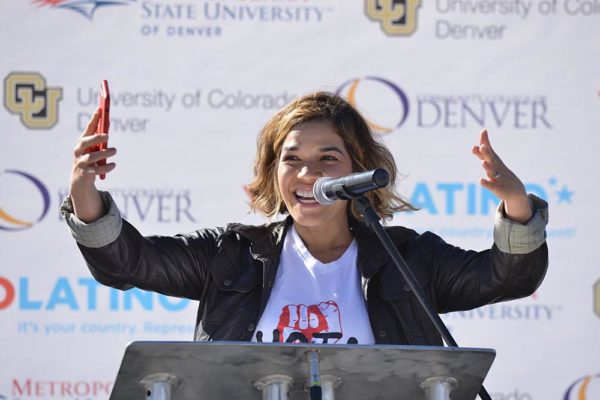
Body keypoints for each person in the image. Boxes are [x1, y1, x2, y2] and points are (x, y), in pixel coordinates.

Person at [62, 92, 548, 345]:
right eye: (292, 159)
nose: (307, 173)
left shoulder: (407, 258)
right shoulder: (232, 254)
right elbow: (128, 263)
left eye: (328, 159)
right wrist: (84, 188)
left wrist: (517, 204)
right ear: (273, 171)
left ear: (358, 171)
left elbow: (505, 278)